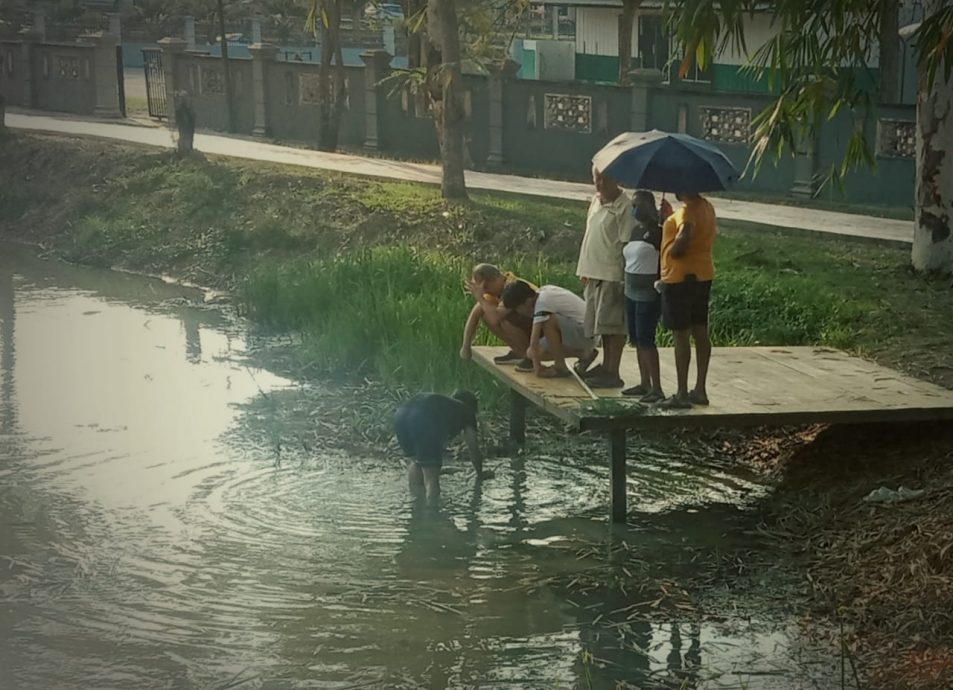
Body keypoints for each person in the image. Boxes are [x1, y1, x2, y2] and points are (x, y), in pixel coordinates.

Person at [575, 167, 636, 388]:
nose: (599, 184)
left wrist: (624, 277)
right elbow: (590, 234)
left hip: (612, 274)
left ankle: (613, 370)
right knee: (600, 325)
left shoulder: (625, 207)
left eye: (604, 179)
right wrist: (584, 268)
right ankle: (606, 366)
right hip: (592, 271)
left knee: (613, 325)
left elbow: (627, 243)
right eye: (596, 179)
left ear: (616, 179)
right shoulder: (595, 201)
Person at [658, 191, 717, 409]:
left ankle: (681, 392)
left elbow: (686, 233)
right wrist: (669, 217)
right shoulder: (706, 207)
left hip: (681, 278)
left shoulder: (688, 211)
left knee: (680, 335)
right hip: (702, 274)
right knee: (700, 330)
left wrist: (673, 250)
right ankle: (699, 388)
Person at [394, 390, 486, 503]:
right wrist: (480, 474)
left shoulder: (444, 404)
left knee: (416, 462)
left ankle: (416, 508)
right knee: (431, 477)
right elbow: (473, 448)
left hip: (400, 415)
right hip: (423, 417)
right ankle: (432, 514)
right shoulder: (466, 411)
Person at [501, 281, 597, 379]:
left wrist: (538, 369)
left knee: (549, 321)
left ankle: (560, 367)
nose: (519, 312)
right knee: (532, 354)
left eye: (517, 308)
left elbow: (534, 341)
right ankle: (584, 354)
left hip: (587, 332)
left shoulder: (542, 304)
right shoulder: (543, 292)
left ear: (526, 302)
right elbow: (534, 349)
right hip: (579, 329)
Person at [622, 190, 665, 402]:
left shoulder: (659, 233)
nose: (635, 210)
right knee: (636, 339)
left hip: (648, 293)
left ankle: (656, 387)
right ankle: (643, 382)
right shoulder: (635, 231)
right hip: (630, 290)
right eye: (633, 205)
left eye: (639, 205)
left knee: (646, 338)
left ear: (650, 207)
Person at [460, 264, 537, 366]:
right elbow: (476, 313)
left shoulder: (513, 286)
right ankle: (518, 351)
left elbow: (495, 319)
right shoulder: (496, 291)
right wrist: (466, 347)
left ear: (496, 279)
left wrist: (480, 298)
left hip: (541, 327)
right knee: (485, 310)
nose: (484, 291)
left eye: (485, 286)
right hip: (531, 327)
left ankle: (526, 355)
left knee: (504, 318)